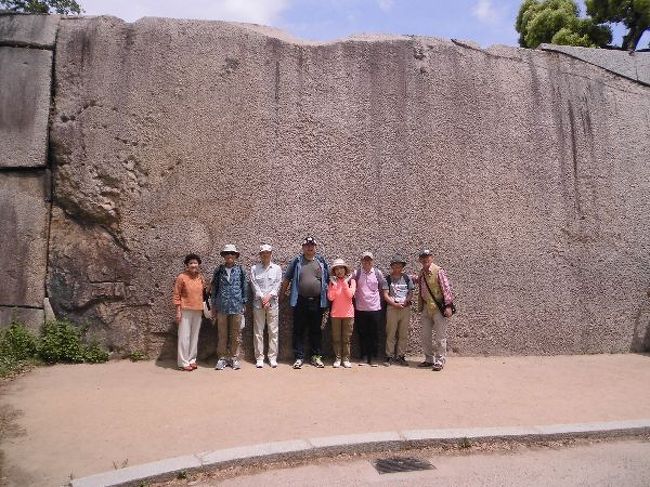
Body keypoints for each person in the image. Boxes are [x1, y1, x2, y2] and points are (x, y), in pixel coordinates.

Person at [282, 236, 329, 369]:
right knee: (299, 330)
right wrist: (281, 296)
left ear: (315, 247)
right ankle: (299, 357)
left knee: (316, 330)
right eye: (307, 245)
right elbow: (287, 279)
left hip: (317, 301)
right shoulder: (297, 261)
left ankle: (316, 357)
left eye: (312, 245)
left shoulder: (321, 261)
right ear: (303, 247)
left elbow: (328, 279)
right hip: (300, 301)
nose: (309, 247)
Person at [417, 249, 455, 371]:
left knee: (440, 336)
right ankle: (429, 359)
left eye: (427, 257)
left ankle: (440, 360)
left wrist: (448, 306)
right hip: (427, 307)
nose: (425, 259)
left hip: (438, 308)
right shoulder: (421, 273)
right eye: (423, 257)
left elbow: (446, 288)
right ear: (420, 260)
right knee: (425, 335)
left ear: (432, 258)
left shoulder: (438, 271)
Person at [211, 244, 248, 370]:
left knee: (236, 334)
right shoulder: (219, 270)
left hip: (236, 305)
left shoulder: (241, 270)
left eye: (232, 253)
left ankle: (233, 357)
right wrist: (214, 305)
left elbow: (244, 287)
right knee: (222, 334)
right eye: (227, 254)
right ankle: (222, 358)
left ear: (235, 256)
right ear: (224, 256)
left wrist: (244, 303)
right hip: (222, 306)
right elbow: (214, 288)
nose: (229, 256)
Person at [250, 244, 283, 368]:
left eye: (267, 252)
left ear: (271, 254)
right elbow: (254, 284)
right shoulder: (254, 268)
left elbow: (277, 284)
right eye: (263, 253)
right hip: (258, 304)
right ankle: (259, 358)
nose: (265, 255)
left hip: (272, 304)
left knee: (273, 331)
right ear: (260, 254)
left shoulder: (277, 269)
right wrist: (262, 298)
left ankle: (272, 357)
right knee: (258, 331)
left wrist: (268, 297)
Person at [353, 251, 388, 367]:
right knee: (362, 333)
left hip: (375, 308)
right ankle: (363, 356)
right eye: (365, 260)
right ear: (361, 261)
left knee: (374, 334)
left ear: (372, 261)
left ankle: (373, 357)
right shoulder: (356, 273)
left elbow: (384, 287)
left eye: (369, 260)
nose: (367, 262)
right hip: (360, 308)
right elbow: (348, 282)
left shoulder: (378, 273)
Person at [173, 253, 206, 371]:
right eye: (191, 263)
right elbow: (177, 295)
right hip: (185, 309)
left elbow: (205, 294)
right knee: (184, 336)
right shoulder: (181, 277)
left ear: (198, 265)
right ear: (187, 265)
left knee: (194, 336)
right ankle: (183, 362)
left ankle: (192, 359)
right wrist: (178, 311)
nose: (193, 265)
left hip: (198, 310)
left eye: (195, 263)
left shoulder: (201, 278)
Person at [382, 255, 414, 367]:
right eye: (395, 265)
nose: (397, 268)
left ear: (402, 267)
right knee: (390, 333)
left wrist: (406, 301)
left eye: (399, 266)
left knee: (403, 333)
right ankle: (389, 356)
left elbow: (410, 292)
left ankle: (401, 355)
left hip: (405, 308)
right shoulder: (387, 279)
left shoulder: (407, 278)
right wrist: (394, 304)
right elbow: (385, 294)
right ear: (392, 266)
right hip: (392, 308)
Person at [327, 258, 356, 368]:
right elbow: (330, 297)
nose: (339, 271)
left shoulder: (351, 281)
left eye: (341, 268)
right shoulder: (332, 282)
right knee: (336, 338)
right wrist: (334, 285)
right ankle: (337, 358)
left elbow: (350, 295)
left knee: (346, 339)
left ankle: (346, 358)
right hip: (335, 314)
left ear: (345, 269)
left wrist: (344, 283)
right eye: (336, 269)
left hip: (348, 314)